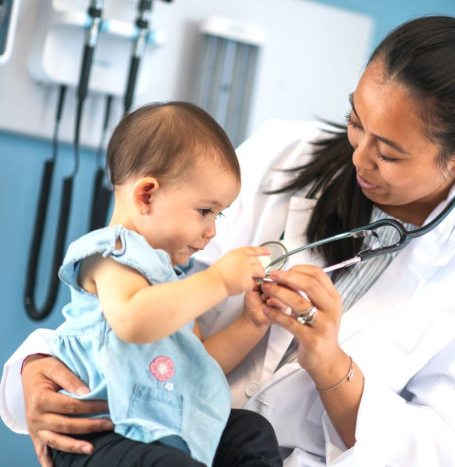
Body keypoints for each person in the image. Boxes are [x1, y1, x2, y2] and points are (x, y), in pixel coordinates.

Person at [0, 15, 455, 466]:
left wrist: (330, 363)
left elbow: (444, 454)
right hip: (153, 427)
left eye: (389, 153)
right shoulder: (280, 153)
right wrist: (38, 367)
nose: (358, 157)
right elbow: (135, 295)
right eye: (355, 122)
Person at [21, 101, 282, 467]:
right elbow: (132, 320)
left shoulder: (171, 279)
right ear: (147, 195)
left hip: (157, 427)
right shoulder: (111, 253)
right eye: (205, 211)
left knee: (251, 432)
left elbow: (198, 364)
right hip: (101, 432)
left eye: (218, 214)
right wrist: (219, 281)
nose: (212, 231)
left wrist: (251, 323)